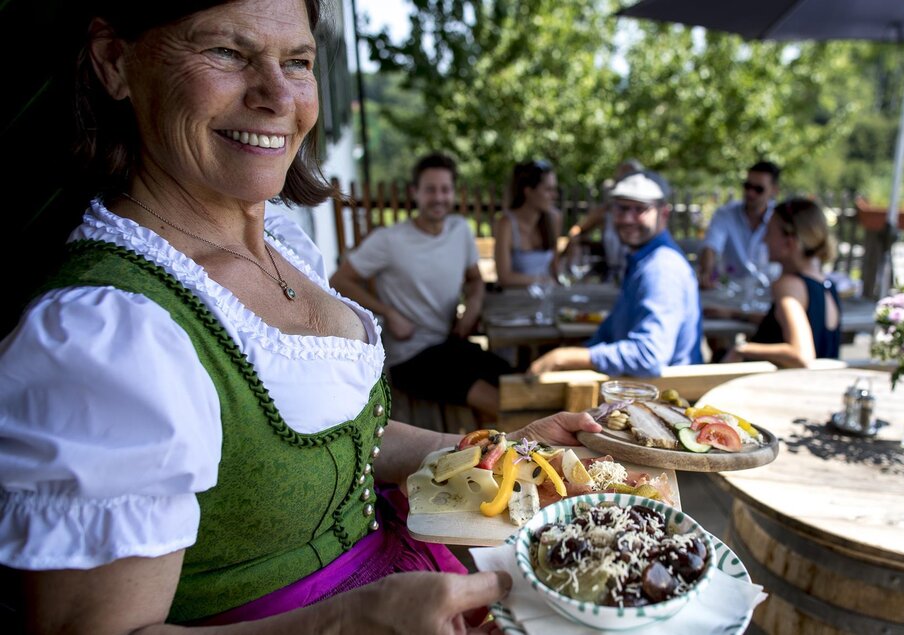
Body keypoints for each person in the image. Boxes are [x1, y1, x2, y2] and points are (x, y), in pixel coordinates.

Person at [0, 2, 601, 632]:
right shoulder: (107, 336)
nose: (277, 96)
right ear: (114, 62)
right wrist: (341, 624)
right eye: (227, 52)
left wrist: (504, 452)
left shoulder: (284, 243)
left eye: (297, 62)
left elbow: (346, 439)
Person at [331, 152, 513, 422]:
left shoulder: (460, 230)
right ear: (414, 192)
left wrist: (473, 305)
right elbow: (339, 281)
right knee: (499, 404)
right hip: (409, 358)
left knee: (515, 379)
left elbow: (475, 278)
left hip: (450, 344)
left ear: (453, 192)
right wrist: (388, 313)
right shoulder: (389, 240)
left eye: (445, 189)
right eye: (430, 190)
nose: (438, 197)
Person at [528, 170, 703, 377]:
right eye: (621, 208)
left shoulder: (661, 268)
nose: (627, 219)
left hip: (662, 394)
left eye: (640, 209)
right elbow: (610, 333)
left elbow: (649, 356)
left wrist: (564, 358)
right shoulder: (642, 260)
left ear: (663, 214)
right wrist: (578, 351)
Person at [721, 197, 842, 367]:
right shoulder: (827, 286)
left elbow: (802, 355)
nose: (764, 240)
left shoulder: (789, 286)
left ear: (789, 241)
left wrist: (742, 349)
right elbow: (789, 324)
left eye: (770, 232)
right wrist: (737, 315)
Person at [698, 160, 781, 288]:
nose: (750, 193)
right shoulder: (725, 214)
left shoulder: (781, 218)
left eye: (759, 189)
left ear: (774, 190)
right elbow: (711, 246)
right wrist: (707, 272)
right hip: (732, 291)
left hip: (770, 290)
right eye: (747, 186)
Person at [563, 159, 644, 282]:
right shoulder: (606, 211)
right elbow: (577, 230)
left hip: (639, 274)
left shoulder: (646, 214)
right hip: (612, 276)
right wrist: (575, 242)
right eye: (621, 180)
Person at [493, 159, 562, 288]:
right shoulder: (506, 224)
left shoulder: (554, 219)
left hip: (547, 295)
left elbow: (555, 270)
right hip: (516, 297)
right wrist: (542, 280)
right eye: (548, 190)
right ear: (528, 191)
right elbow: (504, 277)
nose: (554, 195)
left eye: (554, 189)